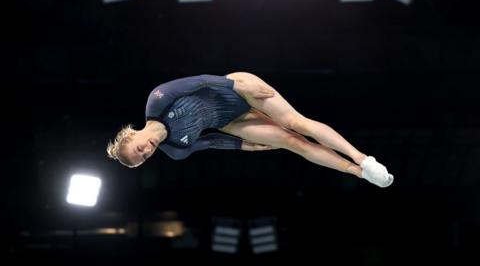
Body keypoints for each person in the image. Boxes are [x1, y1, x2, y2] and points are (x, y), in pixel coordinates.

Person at [107, 72, 393, 187]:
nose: (146, 152)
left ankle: (363, 158)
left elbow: (201, 80)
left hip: (235, 90)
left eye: (138, 149)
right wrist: (243, 146)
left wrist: (239, 86)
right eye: (143, 158)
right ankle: (360, 173)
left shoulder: (157, 100)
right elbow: (209, 143)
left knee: (295, 123)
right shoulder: (175, 150)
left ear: (132, 134)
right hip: (231, 122)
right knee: (292, 142)